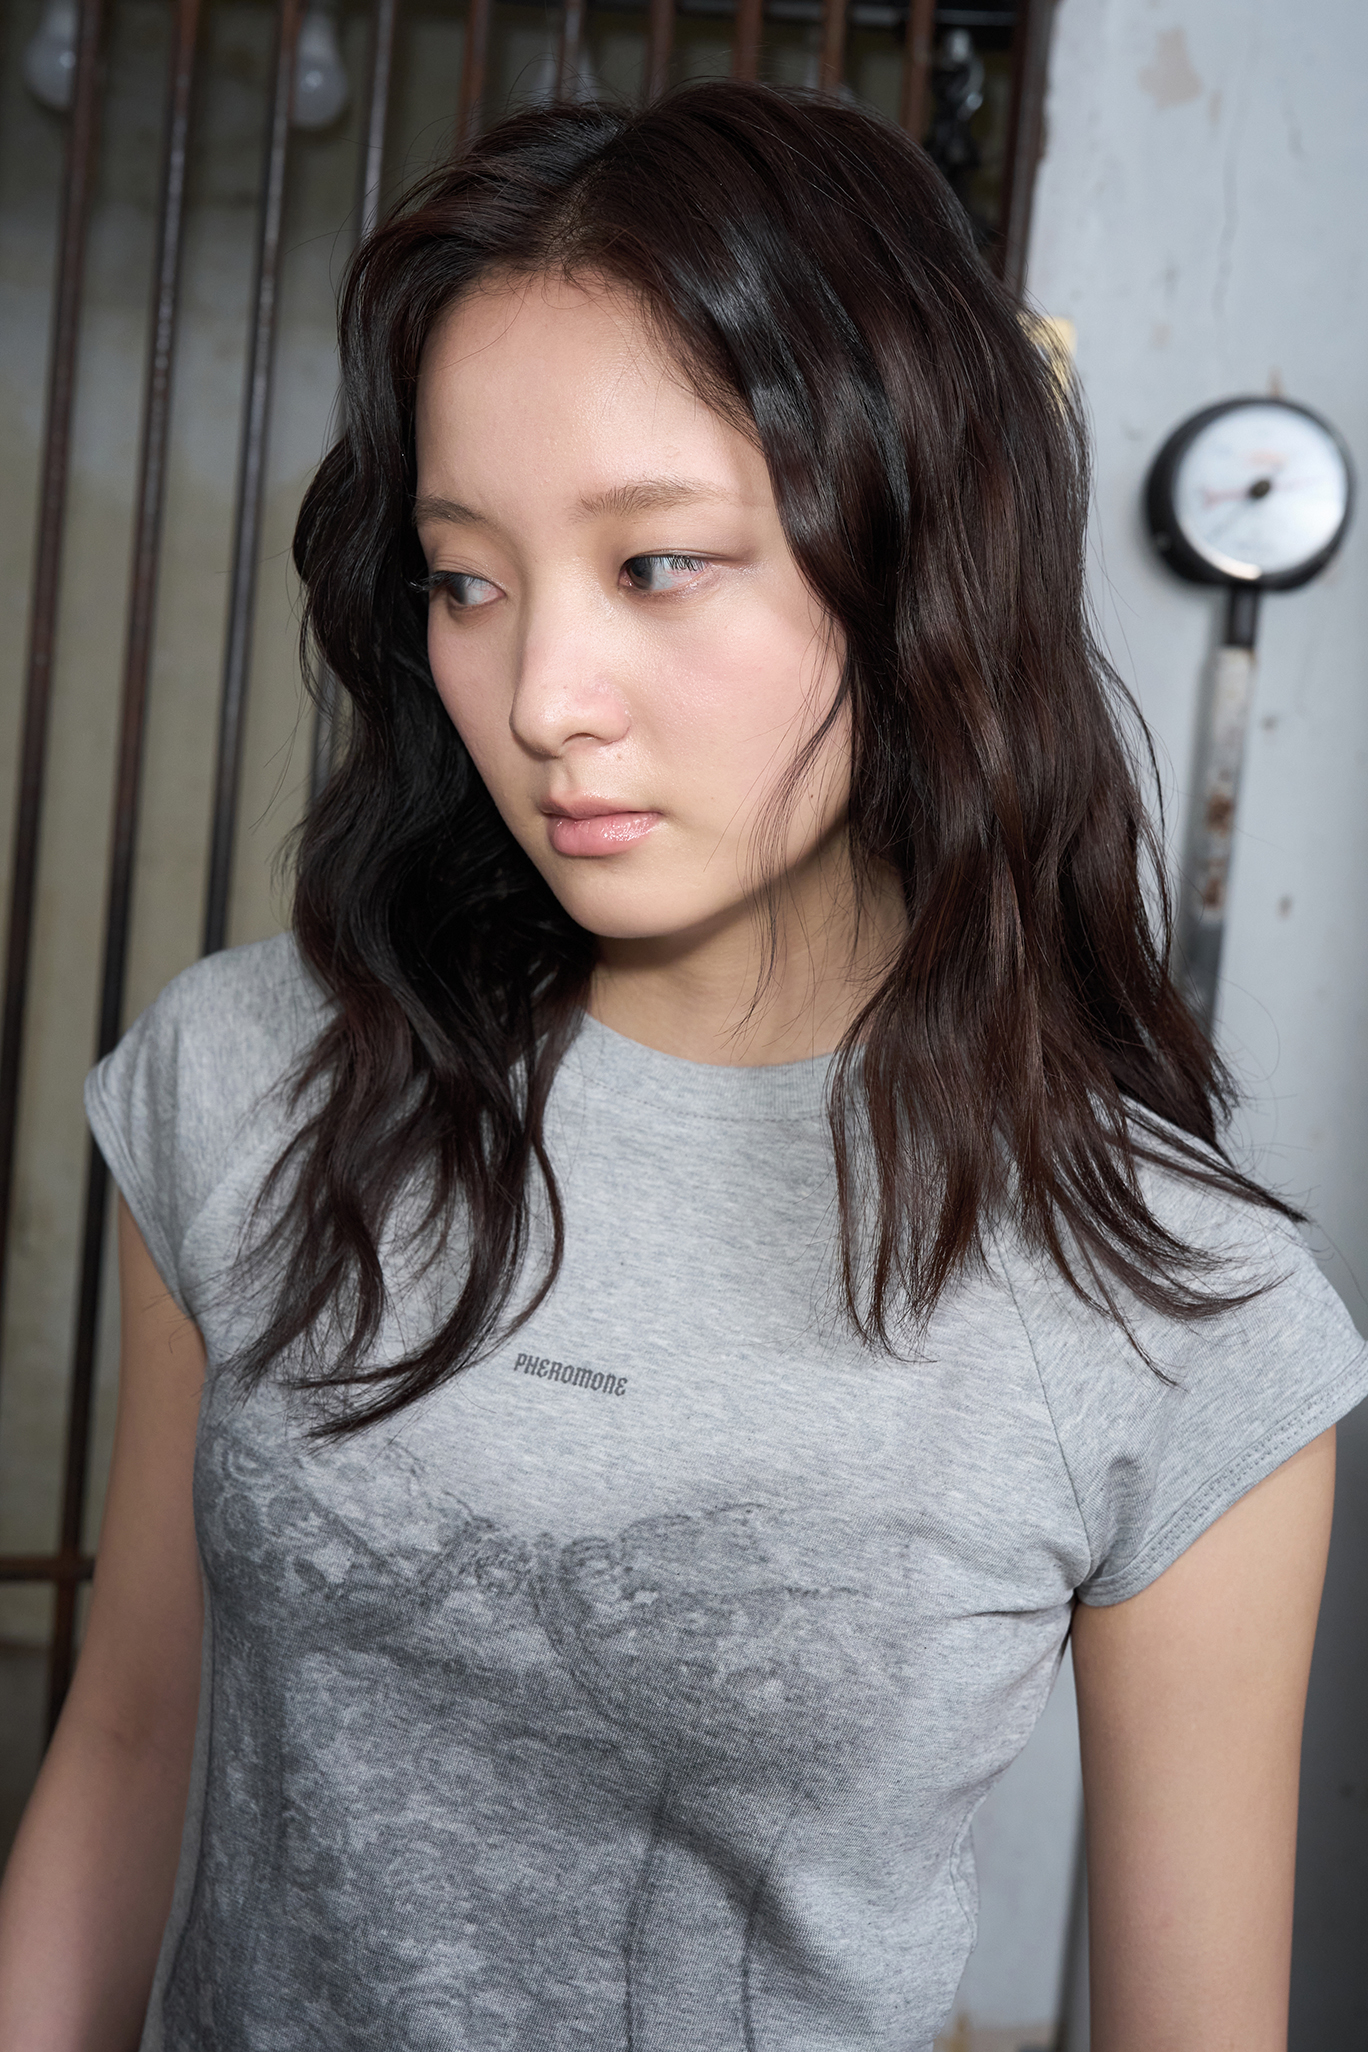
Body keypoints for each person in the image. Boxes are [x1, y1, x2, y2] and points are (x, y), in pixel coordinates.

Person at [0, 79, 1362, 2052]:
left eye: (657, 566)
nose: (544, 697)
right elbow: (130, 1744)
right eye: (467, 580)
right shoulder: (251, 1079)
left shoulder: (1179, 1312)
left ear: (913, 556)